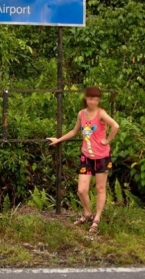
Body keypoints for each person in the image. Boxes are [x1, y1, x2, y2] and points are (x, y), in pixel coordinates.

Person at [47, 86, 119, 234]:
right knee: (81, 190)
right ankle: (87, 213)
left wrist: (107, 140)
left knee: (100, 188)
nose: (93, 102)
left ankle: (97, 218)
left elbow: (115, 126)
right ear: (86, 98)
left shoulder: (101, 113)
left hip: (102, 157)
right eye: (91, 98)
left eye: (96, 99)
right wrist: (58, 140)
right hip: (86, 156)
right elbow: (74, 131)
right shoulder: (81, 114)